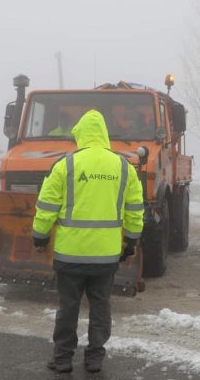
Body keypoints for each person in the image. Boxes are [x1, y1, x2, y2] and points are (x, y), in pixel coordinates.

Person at [32, 110, 144, 373]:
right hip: (106, 256)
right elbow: (135, 208)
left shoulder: (65, 165)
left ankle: (62, 359)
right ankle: (95, 358)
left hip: (70, 254)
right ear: (104, 134)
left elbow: (47, 205)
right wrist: (131, 241)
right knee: (101, 307)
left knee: (68, 307)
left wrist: (40, 235)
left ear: (80, 134)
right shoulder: (124, 167)